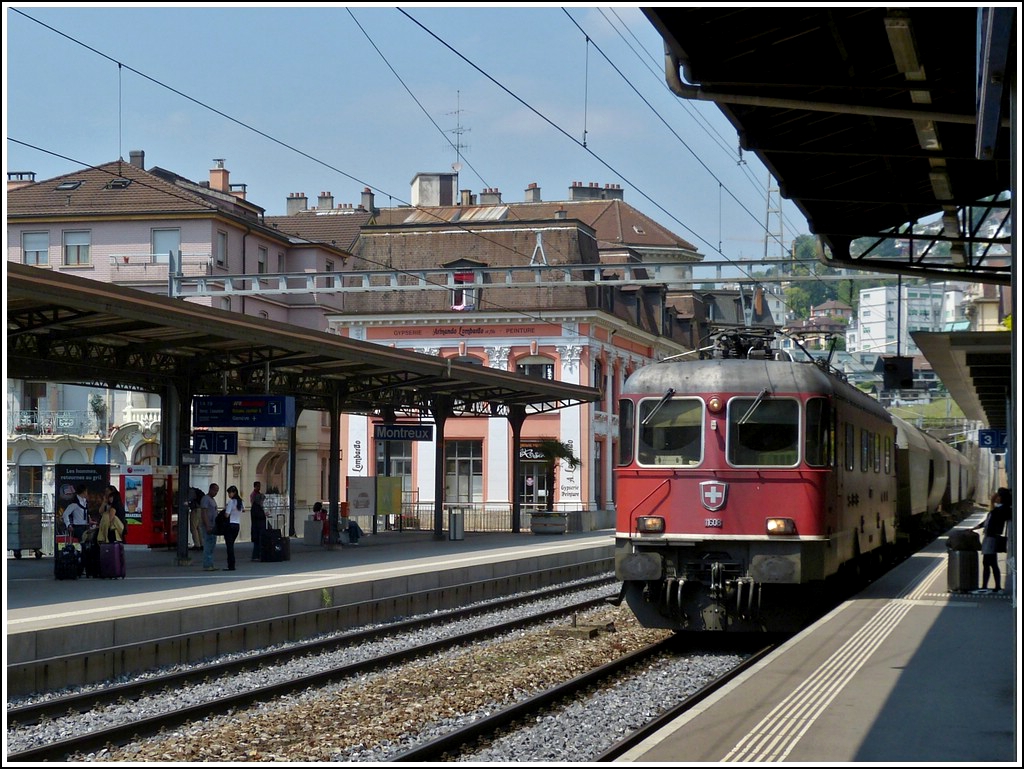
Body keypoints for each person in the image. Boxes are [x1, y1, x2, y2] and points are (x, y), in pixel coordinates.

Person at [973, 487, 1012, 594]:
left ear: (1002, 497)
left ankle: (986, 587)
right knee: (992, 563)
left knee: (987, 562)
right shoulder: (999, 509)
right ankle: (996, 587)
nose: (996, 496)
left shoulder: (1002, 509)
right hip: (989, 537)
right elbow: (987, 521)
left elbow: (991, 521)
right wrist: (974, 528)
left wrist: (992, 502)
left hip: (992, 538)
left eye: (998, 495)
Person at [199, 483, 220, 571]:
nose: (216, 493)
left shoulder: (212, 500)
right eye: (215, 490)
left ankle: (210, 563)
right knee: (208, 544)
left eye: (217, 491)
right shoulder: (205, 499)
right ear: (210, 489)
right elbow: (204, 513)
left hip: (213, 525)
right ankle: (207, 564)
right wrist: (207, 525)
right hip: (208, 525)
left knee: (212, 544)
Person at [223, 485, 244, 571]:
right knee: (231, 545)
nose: (229, 494)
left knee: (229, 546)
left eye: (229, 493)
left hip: (230, 525)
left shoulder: (231, 502)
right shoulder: (241, 502)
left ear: (234, 493)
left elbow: (227, 515)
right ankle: (232, 564)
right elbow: (243, 510)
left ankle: (231, 564)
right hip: (237, 525)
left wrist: (225, 509)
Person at [250, 481, 266, 561]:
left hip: (257, 527)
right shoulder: (254, 497)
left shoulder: (257, 506)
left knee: (257, 542)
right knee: (257, 542)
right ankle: (256, 556)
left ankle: (257, 555)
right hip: (258, 527)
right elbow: (258, 516)